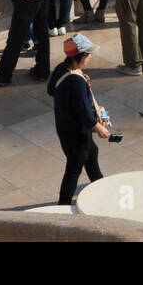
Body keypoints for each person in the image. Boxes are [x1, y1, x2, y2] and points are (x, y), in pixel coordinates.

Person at [47, 34, 110, 205]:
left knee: (91, 154)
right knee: (74, 168)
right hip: (76, 131)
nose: (90, 57)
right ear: (79, 56)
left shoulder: (62, 68)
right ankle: (64, 204)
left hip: (65, 126)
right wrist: (99, 127)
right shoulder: (76, 81)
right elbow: (83, 111)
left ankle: (100, 187)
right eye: (88, 54)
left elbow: (51, 90)